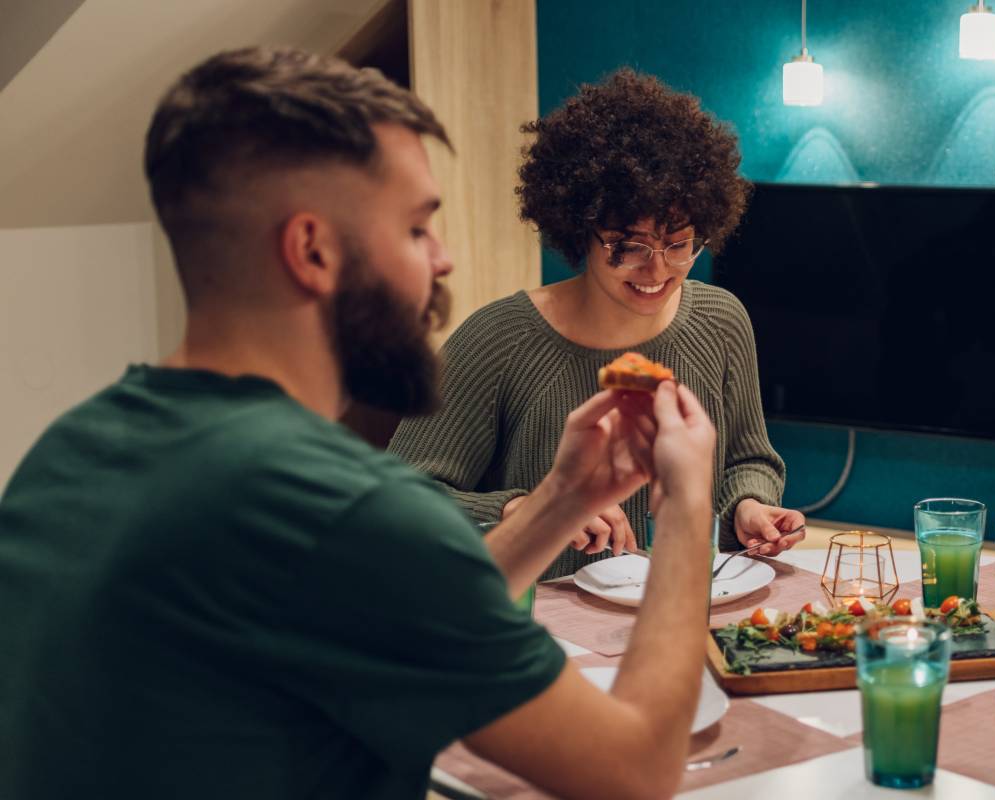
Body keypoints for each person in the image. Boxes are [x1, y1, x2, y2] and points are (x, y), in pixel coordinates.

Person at [0, 47, 720, 799]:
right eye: (415, 229)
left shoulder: (72, 448)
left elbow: (410, 606)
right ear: (312, 249)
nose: (441, 261)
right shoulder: (336, 507)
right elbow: (633, 772)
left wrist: (562, 499)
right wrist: (687, 510)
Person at [388, 69, 803, 579]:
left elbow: (749, 459)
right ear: (578, 229)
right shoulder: (498, 339)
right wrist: (527, 509)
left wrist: (749, 506)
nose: (657, 271)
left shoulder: (722, 321)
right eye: (628, 247)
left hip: (687, 607)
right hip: (543, 629)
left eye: (679, 245)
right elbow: (398, 499)